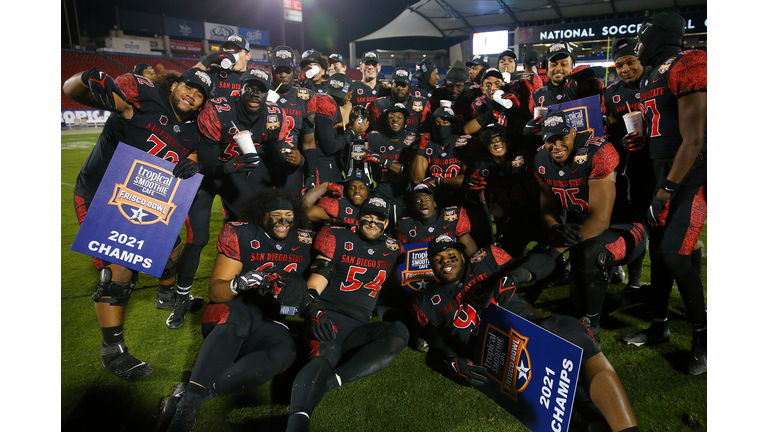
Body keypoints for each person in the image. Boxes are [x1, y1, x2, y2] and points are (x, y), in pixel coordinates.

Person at [63, 65, 212, 380]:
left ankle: (166, 295)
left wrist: (193, 165)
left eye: (199, 96)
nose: (192, 95)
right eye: (189, 87)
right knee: (118, 272)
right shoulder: (143, 97)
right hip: (103, 195)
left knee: (173, 254)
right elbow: (72, 90)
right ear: (174, 85)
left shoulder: (192, 129)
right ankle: (112, 351)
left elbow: (197, 158)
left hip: (146, 200)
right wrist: (86, 77)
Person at [412, 235, 640, 432]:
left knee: (563, 330)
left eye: (451, 256)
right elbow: (436, 340)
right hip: (498, 363)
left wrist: (514, 277)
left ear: (462, 256)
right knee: (579, 417)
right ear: (431, 266)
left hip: (535, 336)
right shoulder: (426, 302)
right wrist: (451, 361)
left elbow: (544, 262)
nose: (445, 263)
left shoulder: (487, 260)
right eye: (438, 260)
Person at [160, 189, 313, 432]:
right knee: (239, 319)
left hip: (271, 319)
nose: (283, 221)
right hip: (230, 311)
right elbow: (215, 292)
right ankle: (188, 409)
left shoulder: (305, 238)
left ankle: (191, 396)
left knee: (284, 351)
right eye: (275, 215)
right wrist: (238, 283)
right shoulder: (242, 233)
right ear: (261, 216)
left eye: (288, 215)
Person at [168, 68, 293, 329]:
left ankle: (247, 287)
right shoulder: (218, 110)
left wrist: (286, 158)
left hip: (240, 174)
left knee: (250, 230)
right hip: (207, 174)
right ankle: (181, 298)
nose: (254, 93)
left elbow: (275, 149)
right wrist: (229, 166)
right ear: (240, 88)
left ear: (267, 93)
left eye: (260, 89)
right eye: (250, 87)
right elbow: (208, 161)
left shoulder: (274, 115)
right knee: (197, 238)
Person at [620, 12, 707, 376]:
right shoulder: (653, 74)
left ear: (659, 36)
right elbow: (661, 125)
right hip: (659, 170)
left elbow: (695, 138)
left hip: (689, 173)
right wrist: (638, 141)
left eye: (642, 38)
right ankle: (659, 325)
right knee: (660, 250)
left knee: (674, 251)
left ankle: (705, 338)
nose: (638, 46)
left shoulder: (690, 63)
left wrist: (666, 190)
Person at [285, 197, 408, 432]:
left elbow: (391, 278)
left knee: (398, 331)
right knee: (327, 353)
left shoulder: (393, 248)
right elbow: (316, 281)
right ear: (359, 218)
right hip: (328, 316)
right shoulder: (336, 236)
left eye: (379, 218)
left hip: (357, 325)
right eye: (368, 216)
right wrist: (314, 308)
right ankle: (297, 423)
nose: (372, 222)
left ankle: (329, 382)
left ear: (385, 223)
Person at [533, 111, 647, 343]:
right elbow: (548, 210)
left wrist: (555, 251)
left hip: (625, 227)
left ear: (574, 132)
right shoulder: (540, 159)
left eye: (562, 137)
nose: (556, 145)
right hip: (587, 229)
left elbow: (601, 220)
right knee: (576, 303)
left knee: (589, 252)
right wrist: (555, 227)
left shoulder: (598, 151)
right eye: (549, 140)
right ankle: (642, 295)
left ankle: (591, 328)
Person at [603, 37, 655, 291]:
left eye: (630, 62)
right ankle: (620, 270)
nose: (625, 69)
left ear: (640, 61)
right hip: (626, 167)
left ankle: (637, 281)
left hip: (658, 164)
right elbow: (611, 128)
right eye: (619, 64)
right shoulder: (611, 93)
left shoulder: (656, 82)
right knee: (625, 219)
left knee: (654, 225)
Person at [464, 124, 542, 257]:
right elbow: (472, 192)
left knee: (542, 247)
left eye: (500, 140)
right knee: (511, 255)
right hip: (506, 217)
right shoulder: (481, 165)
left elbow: (536, 190)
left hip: (530, 213)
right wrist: (474, 188)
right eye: (492, 142)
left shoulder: (521, 159)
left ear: (508, 142)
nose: (497, 144)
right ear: (487, 145)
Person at [271, 45, 320, 190]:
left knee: (290, 210)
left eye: (287, 70)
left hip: (291, 162)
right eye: (279, 70)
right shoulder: (261, 93)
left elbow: (309, 140)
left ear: (293, 70)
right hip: (264, 161)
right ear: (272, 70)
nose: (283, 75)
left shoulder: (306, 97)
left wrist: (311, 174)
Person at [363, 103, 418, 217]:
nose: (395, 120)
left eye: (399, 117)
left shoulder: (413, 139)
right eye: (391, 117)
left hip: (403, 193)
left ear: (405, 120)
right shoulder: (373, 137)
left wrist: (383, 161)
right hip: (379, 192)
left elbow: (412, 173)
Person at [312, 72, 369, 183]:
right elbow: (330, 147)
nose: (350, 98)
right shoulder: (325, 103)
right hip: (321, 162)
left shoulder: (330, 102)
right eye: (349, 94)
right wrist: (353, 132)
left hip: (327, 161)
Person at [395, 183, 478, 256]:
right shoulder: (404, 226)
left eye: (427, 199)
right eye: (418, 201)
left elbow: (472, 254)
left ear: (434, 203)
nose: (423, 203)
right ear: (412, 206)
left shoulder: (454, 216)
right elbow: (400, 260)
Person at [411, 106, 469, 207]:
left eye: (445, 123)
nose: (441, 126)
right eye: (437, 123)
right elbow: (416, 179)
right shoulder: (427, 143)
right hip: (433, 197)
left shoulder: (463, 143)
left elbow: (467, 180)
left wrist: (438, 180)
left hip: (458, 196)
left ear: (452, 125)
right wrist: (420, 148)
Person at [367, 66, 431, 134]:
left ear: (409, 86)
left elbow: (426, 129)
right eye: (397, 85)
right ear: (392, 85)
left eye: (403, 85)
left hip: (413, 143)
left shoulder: (422, 103)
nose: (400, 88)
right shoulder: (379, 104)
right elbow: (373, 130)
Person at [302, 169, 373, 229]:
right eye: (352, 188)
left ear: (368, 191)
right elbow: (304, 211)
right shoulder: (338, 207)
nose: (356, 191)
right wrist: (325, 186)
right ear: (346, 191)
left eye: (361, 188)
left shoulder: (374, 209)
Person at [428, 67, 475, 131]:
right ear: (445, 84)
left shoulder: (472, 95)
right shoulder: (438, 95)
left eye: (458, 86)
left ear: (464, 85)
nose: (454, 90)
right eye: (450, 86)